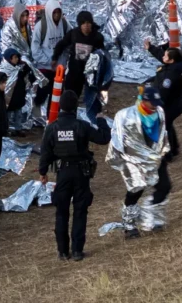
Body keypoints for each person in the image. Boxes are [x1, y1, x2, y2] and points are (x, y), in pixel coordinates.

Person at [39, 90, 111, 261]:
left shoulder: (52, 128)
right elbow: (103, 137)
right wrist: (100, 119)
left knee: (61, 212)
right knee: (80, 211)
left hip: (62, 174)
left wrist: (43, 172)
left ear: (61, 107)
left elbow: (45, 153)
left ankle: (62, 251)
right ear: (74, 107)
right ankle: (77, 251)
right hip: (81, 174)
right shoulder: (81, 126)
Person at [107, 87, 171, 239]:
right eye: (152, 103)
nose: (155, 106)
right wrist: (122, 158)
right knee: (136, 189)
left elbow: (163, 132)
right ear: (144, 100)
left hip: (154, 157)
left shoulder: (160, 112)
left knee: (164, 186)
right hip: (133, 159)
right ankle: (129, 225)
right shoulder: (125, 115)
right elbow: (117, 138)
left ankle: (151, 216)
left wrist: (163, 151)